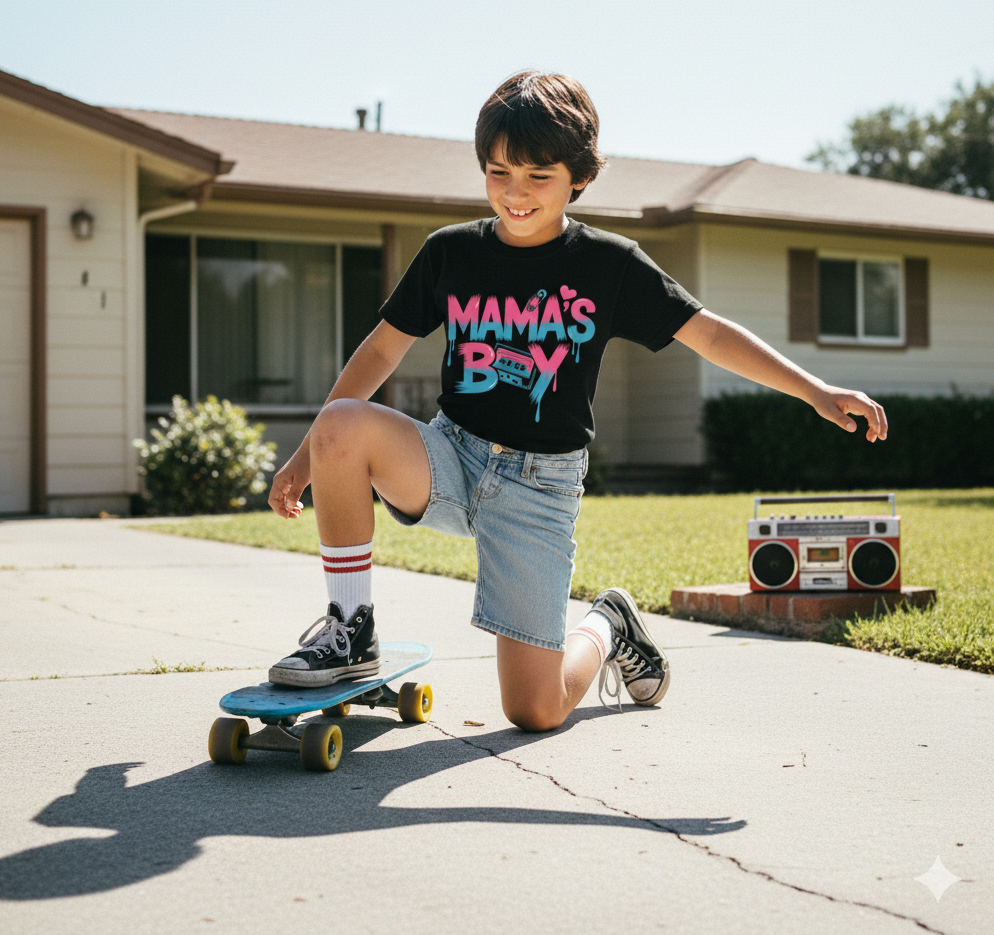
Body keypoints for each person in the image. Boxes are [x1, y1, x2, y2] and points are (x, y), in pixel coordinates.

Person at [267, 71, 888, 731]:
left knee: (534, 710)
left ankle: (608, 623)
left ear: (579, 177)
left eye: (538, 176)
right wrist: (305, 460)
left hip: (539, 487)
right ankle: (350, 631)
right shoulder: (449, 253)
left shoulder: (608, 264)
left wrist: (814, 391)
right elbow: (379, 352)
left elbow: (708, 332)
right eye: (500, 171)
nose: (515, 193)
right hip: (449, 456)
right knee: (341, 423)